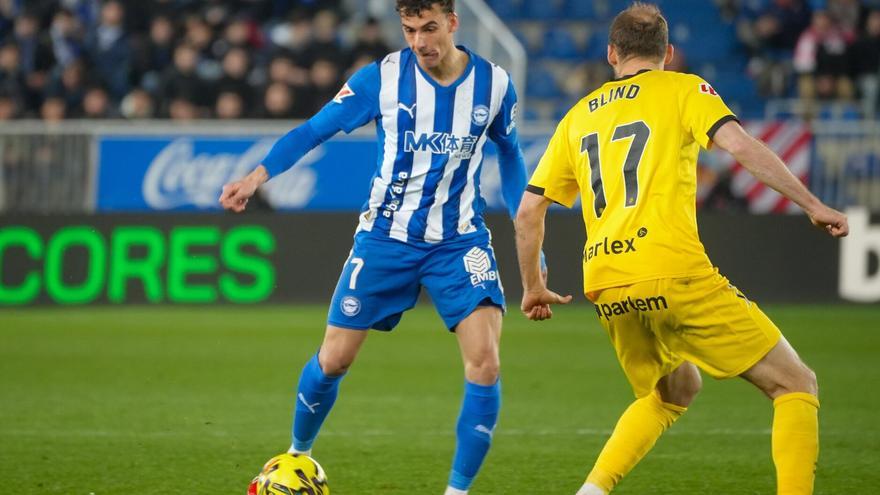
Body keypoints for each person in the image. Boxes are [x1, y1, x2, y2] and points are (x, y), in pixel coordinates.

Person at [513, 3, 849, 495]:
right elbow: (739, 145)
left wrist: (533, 287)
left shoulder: (577, 115)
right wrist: (812, 204)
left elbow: (527, 214)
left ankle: (591, 490)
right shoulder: (684, 88)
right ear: (667, 54)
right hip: (672, 268)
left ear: (611, 53)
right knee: (796, 384)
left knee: (674, 390)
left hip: (607, 284)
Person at [219, 1, 527, 493]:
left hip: (459, 242)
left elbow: (510, 155)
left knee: (485, 362)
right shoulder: (379, 79)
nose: (420, 42)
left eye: (429, 28)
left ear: (452, 22)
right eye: (409, 30)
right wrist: (257, 176)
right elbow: (314, 130)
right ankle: (296, 456)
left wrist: (525, 224)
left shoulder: (494, 85)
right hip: (385, 239)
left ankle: (457, 491)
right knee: (334, 359)